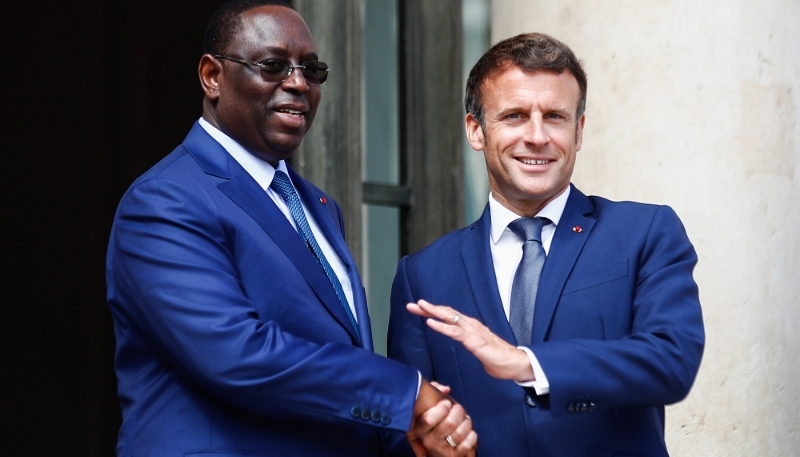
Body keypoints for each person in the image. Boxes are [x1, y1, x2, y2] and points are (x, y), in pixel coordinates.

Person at [105, 1, 477, 456]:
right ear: (212, 76)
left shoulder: (318, 206)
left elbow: (337, 361)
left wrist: (415, 431)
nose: (298, 83)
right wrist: (407, 393)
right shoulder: (165, 200)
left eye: (312, 69)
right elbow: (236, 355)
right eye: (274, 65)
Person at [387, 32, 704, 456]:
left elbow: (672, 361)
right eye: (515, 116)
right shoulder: (422, 275)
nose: (537, 136)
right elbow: (402, 435)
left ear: (579, 131)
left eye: (554, 116)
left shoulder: (644, 232)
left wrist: (527, 364)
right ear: (475, 130)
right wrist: (432, 441)